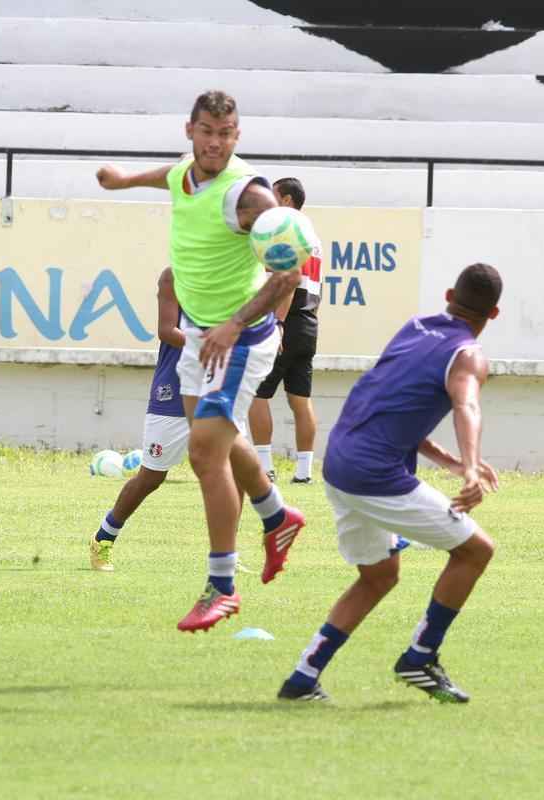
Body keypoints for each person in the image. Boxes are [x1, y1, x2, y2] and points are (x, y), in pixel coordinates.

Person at [95, 90, 306, 632]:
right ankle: (278, 517)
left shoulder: (250, 196)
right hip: (196, 336)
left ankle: (221, 585)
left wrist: (233, 325)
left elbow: (289, 275)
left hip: (237, 339)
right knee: (219, 438)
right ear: (190, 130)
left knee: (205, 454)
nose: (215, 143)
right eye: (207, 132)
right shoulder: (184, 174)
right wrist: (122, 182)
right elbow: (170, 175)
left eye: (226, 134)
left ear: (238, 137)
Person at [277, 263, 502, 703]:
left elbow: (392, 408)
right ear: (493, 315)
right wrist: (472, 468)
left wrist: (451, 462)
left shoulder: (415, 328)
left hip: (339, 460)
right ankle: (419, 657)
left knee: (379, 576)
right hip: (373, 473)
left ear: (448, 294)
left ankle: (303, 677)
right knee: (475, 550)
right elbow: (466, 405)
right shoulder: (469, 355)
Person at [88, 267, 188, 571]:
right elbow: (167, 330)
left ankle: (227, 558)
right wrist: (214, 342)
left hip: (217, 388)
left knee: (231, 472)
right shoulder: (175, 276)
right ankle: (103, 537)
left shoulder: (237, 274)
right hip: (175, 390)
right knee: (152, 477)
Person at [249, 177, 322, 484]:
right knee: (300, 399)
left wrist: (277, 324)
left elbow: (288, 281)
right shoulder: (313, 236)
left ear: (288, 201)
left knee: (256, 394)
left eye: (274, 197)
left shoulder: (286, 231)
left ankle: (264, 467)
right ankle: (304, 471)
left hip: (286, 320)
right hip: (309, 321)